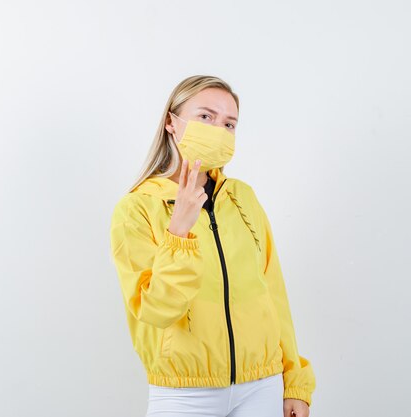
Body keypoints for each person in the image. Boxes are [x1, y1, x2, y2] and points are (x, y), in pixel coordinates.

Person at [109, 75, 316, 417]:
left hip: (262, 385)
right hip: (184, 393)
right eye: (206, 116)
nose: (219, 129)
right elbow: (156, 310)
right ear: (171, 123)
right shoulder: (135, 209)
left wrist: (294, 381)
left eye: (229, 123)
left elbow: (274, 295)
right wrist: (179, 231)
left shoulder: (243, 198)